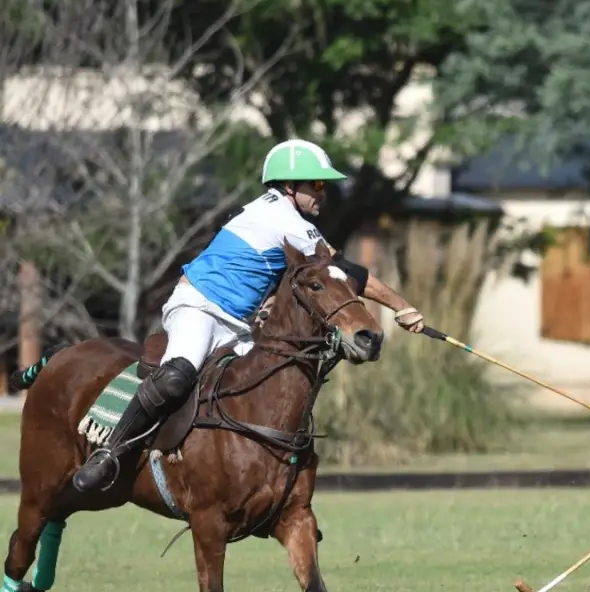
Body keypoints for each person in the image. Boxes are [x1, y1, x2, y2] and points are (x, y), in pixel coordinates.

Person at [72, 139, 426, 493]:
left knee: (264, 387)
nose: (323, 193)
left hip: (237, 324)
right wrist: (401, 306)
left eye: (325, 185)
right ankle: (109, 454)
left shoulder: (284, 216)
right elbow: (343, 272)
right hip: (199, 307)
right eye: (316, 185)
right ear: (289, 187)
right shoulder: (283, 218)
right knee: (177, 376)